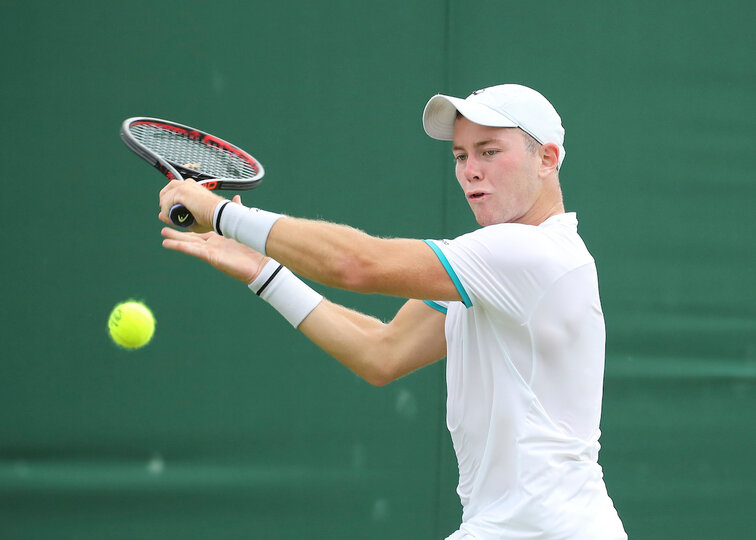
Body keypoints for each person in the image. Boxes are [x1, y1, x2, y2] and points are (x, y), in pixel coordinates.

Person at [158, 84, 627, 539]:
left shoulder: (530, 253)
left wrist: (221, 213)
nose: (470, 171)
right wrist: (263, 271)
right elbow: (381, 352)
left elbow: (356, 264)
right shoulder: (494, 266)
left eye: (489, 151)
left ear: (546, 158)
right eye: (461, 156)